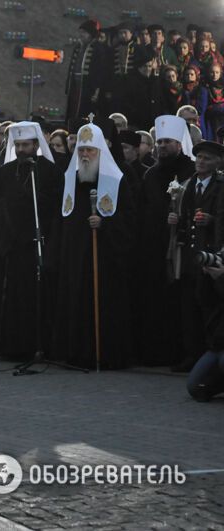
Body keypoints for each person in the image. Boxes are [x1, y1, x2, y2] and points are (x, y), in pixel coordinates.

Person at [51, 123, 136, 370]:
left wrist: (106, 224)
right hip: (75, 257)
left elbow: (130, 219)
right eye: (81, 150)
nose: (85, 155)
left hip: (105, 259)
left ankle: (105, 354)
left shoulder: (115, 180)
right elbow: (61, 218)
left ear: (100, 151)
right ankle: (75, 352)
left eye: (90, 150)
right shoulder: (69, 178)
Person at [0, 121, 62, 361]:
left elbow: (57, 207)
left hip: (38, 245)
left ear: (36, 145)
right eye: (17, 145)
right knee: (14, 299)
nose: (21, 150)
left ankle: (40, 346)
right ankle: (13, 347)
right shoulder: (4, 172)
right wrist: (4, 236)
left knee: (39, 298)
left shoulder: (50, 171)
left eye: (25, 145)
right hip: (12, 246)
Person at [136, 115, 197, 366]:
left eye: (168, 142)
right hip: (153, 246)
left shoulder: (190, 171)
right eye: (159, 142)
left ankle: (181, 352)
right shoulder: (150, 175)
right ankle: (155, 352)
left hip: (180, 247)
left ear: (179, 144)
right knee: (154, 300)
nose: (162, 146)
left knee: (178, 304)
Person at [168, 141, 224, 372]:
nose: (201, 162)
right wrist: (176, 221)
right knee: (189, 305)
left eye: (207, 159)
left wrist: (212, 221)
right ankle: (192, 354)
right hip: (191, 252)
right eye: (199, 157)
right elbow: (186, 214)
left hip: (211, 251)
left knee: (209, 304)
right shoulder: (189, 185)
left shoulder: (220, 186)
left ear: (217, 163)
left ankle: (210, 353)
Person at [188, 259, 224, 402]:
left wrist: (221, 278)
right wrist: (205, 276)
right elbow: (204, 301)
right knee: (194, 386)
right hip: (218, 343)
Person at [66, 19, 109, 121]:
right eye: (80, 32)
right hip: (75, 85)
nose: (81, 35)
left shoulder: (98, 48)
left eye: (84, 32)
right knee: (73, 109)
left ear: (91, 34)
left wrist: (96, 89)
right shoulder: (78, 47)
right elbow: (71, 67)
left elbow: (101, 71)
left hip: (89, 86)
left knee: (86, 111)